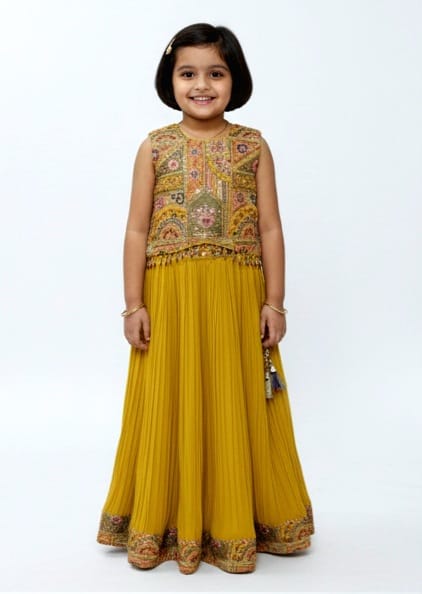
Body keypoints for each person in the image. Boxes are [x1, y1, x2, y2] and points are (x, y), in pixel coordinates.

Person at [97, 22, 314, 575]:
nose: (201, 85)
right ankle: (165, 524)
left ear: (234, 79)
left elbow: (270, 228)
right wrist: (133, 304)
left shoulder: (253, 146)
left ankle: (238, 524)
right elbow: (136, 230)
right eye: (188, 73)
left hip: (236, 299)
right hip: (170, 299)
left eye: (215, 73)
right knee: (170, 398)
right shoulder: (155, 147)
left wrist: (275, 302)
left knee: (236, 398)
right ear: (169, 80)